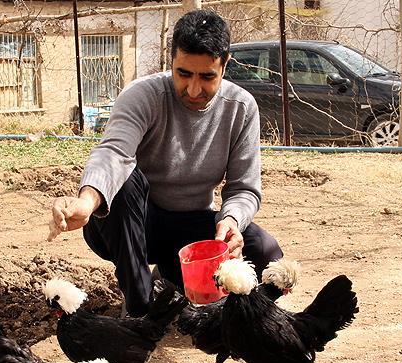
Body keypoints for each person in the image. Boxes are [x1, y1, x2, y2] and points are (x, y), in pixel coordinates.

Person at [48, 9, 283, 316]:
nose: (194, 89)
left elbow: (243, 188)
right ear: (170, 61)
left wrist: (231, 222)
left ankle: (174, 275)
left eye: (207, 77)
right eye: (183, 73)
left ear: (225, 66)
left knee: (265, 252)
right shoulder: (143, 96)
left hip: (192, 224)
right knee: (126, 178)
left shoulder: (241, 108)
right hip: (130, 226)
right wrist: (87, 201)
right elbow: (114, 154)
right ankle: (139, 304)